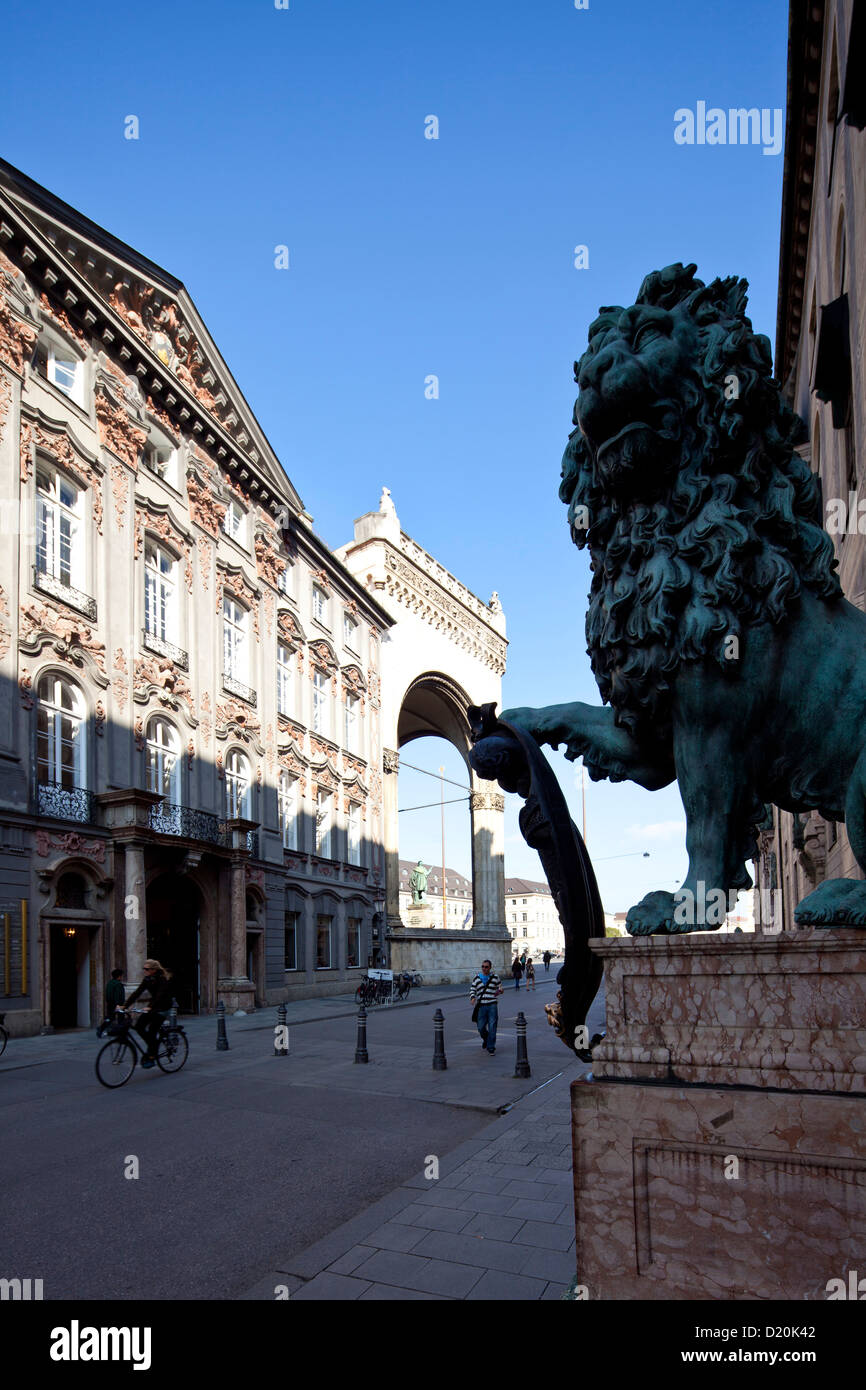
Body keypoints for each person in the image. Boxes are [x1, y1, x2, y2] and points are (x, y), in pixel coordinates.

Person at [122, 959, 175, 1069]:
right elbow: (137, 992)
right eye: (144, 968)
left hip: (163, 1007)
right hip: (153, 1007)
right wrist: (125, 1006)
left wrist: (149, 1006)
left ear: (153, 970)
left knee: (152, 1031)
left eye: (146, 969)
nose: (144, 971)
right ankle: (153, 1045)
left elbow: (159, 995)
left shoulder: (162, 979)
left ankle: (151, 1055)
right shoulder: (147, 979)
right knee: (139, 1026)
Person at [469, 959, 502, 1055]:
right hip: (481, 1006)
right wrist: (472, 997)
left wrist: (500, 991)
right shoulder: (477, 978)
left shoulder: (495, 977)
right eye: (482, 966)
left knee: (492, 1026)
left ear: (490, 968)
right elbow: (472, 989)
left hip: (492, 1005)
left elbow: (498, 989)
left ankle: (491, 1047)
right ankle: (487, 1039)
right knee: (480, 1027)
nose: (484, 968)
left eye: (486, 967)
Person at [96, 968, 126, 1037]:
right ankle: (120, 1032)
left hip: (110, 1003)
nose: (122, 977)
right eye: (121, 976)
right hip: (117, 1004)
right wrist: (118, 1004)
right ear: (119, 976)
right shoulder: (118, 984)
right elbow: (117, 995)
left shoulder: (110, 983)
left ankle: (102, 1027)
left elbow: (108, 994)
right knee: (120, 1018)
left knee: (110, 1017)